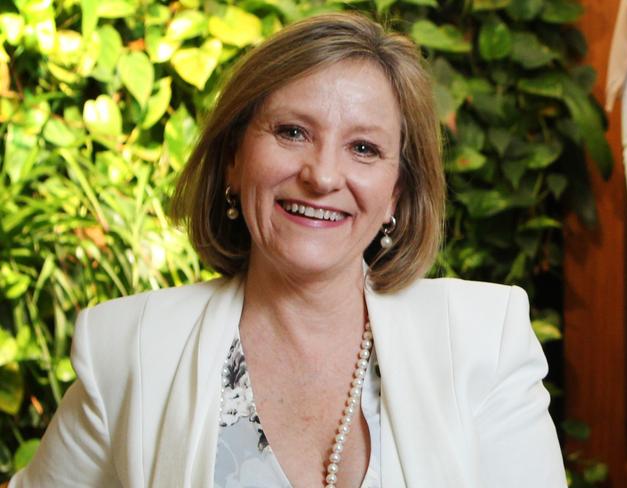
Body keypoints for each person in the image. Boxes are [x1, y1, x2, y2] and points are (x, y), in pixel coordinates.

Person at [8, 12, 567, 488]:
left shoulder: (483, 339)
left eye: (364, 148)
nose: (322, 175)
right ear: (233, 158)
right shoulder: (128, 350)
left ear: (397, 190)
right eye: (292, 132)